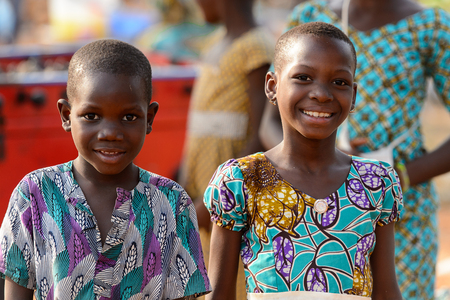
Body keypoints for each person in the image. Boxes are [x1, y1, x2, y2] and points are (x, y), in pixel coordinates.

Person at [257, 1, 450, 299]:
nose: (321, 93)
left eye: (340, 82)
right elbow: (269, 122)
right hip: (307, 204)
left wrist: (397, 177)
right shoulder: (311, 16)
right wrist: (308, 163)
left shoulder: (431, 26)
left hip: (404, 214)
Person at [204, 22, 404, 299]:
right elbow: (220, 294)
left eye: (339, 82)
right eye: (303, 77)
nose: (321, 93)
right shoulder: (241, 180)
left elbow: (387, 290)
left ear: (354, 95)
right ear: (272, 86)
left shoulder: (376, 183)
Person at [0, 39, 210, 300]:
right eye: (91, 116)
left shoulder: (172, 202)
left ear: (150, 118)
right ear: (66, 115)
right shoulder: (34, 195)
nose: (110, 133)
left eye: (129, 117)